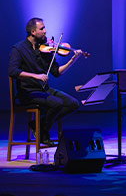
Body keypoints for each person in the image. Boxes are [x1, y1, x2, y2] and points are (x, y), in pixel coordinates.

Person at [8, 18, 83, 146]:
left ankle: (39, 125)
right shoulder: (19, 49)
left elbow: (56, 72)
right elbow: (12, 71)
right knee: (57, 103)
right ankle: (43, 131)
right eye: (41, 28)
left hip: (44, 89)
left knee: (73, 104)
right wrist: (36, 76)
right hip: (28, 92)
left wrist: (72, 61)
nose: (45, 31)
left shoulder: (46, 49)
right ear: (32, 31)